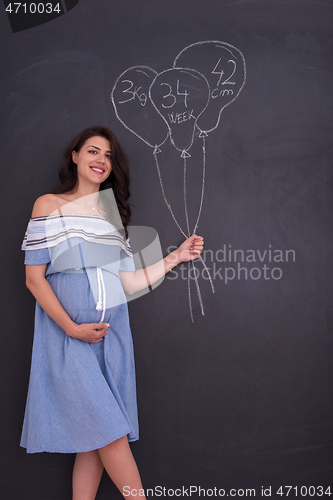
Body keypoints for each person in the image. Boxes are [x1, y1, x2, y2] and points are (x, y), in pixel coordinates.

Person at [21, 125, 204, 500]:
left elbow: (129, 283)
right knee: (109, 432)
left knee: (93, 439)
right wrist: (72, 328)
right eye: (92, 151)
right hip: (68, 338)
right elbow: (34, 280)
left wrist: (175, 257)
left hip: (112, 337)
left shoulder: (111, 219)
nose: (100, 160)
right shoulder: (48, 205)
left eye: (107, 155)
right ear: (74, 156)